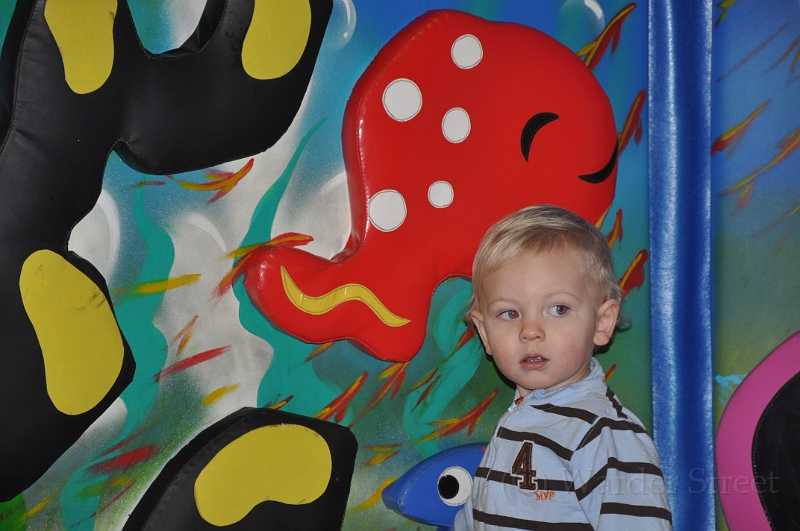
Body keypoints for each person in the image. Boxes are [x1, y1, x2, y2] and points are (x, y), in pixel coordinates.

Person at [454, 205, 672, 530]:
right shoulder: (519, 421)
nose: (530, 331)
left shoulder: (602, 432)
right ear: (484, 333)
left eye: (558, 309)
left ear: (601, 323)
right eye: (510, 314)